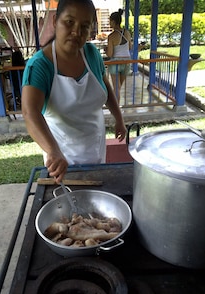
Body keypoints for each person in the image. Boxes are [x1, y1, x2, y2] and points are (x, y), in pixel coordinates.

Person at [21, 0, 126, 183]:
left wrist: (119, 119)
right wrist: (53, 150)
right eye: (69, 22)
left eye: (84, 26)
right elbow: (30, 112)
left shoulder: (92, 54)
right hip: (63, 159)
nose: (77, 32)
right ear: (55, 21)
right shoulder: (40, 66)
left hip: (96, 149)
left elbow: (106, 86)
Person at [105, 9, 132, 103]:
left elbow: (110, 54)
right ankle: (116, 104)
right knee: (119, 86)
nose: (109, 23)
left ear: (113, 21)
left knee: (116, 88)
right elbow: (129, 47)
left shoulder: (111, 36)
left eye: (110, 21)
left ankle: (116, 109)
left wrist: (106, 49)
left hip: (115, 62)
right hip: (127, 61)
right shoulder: (127, 33)